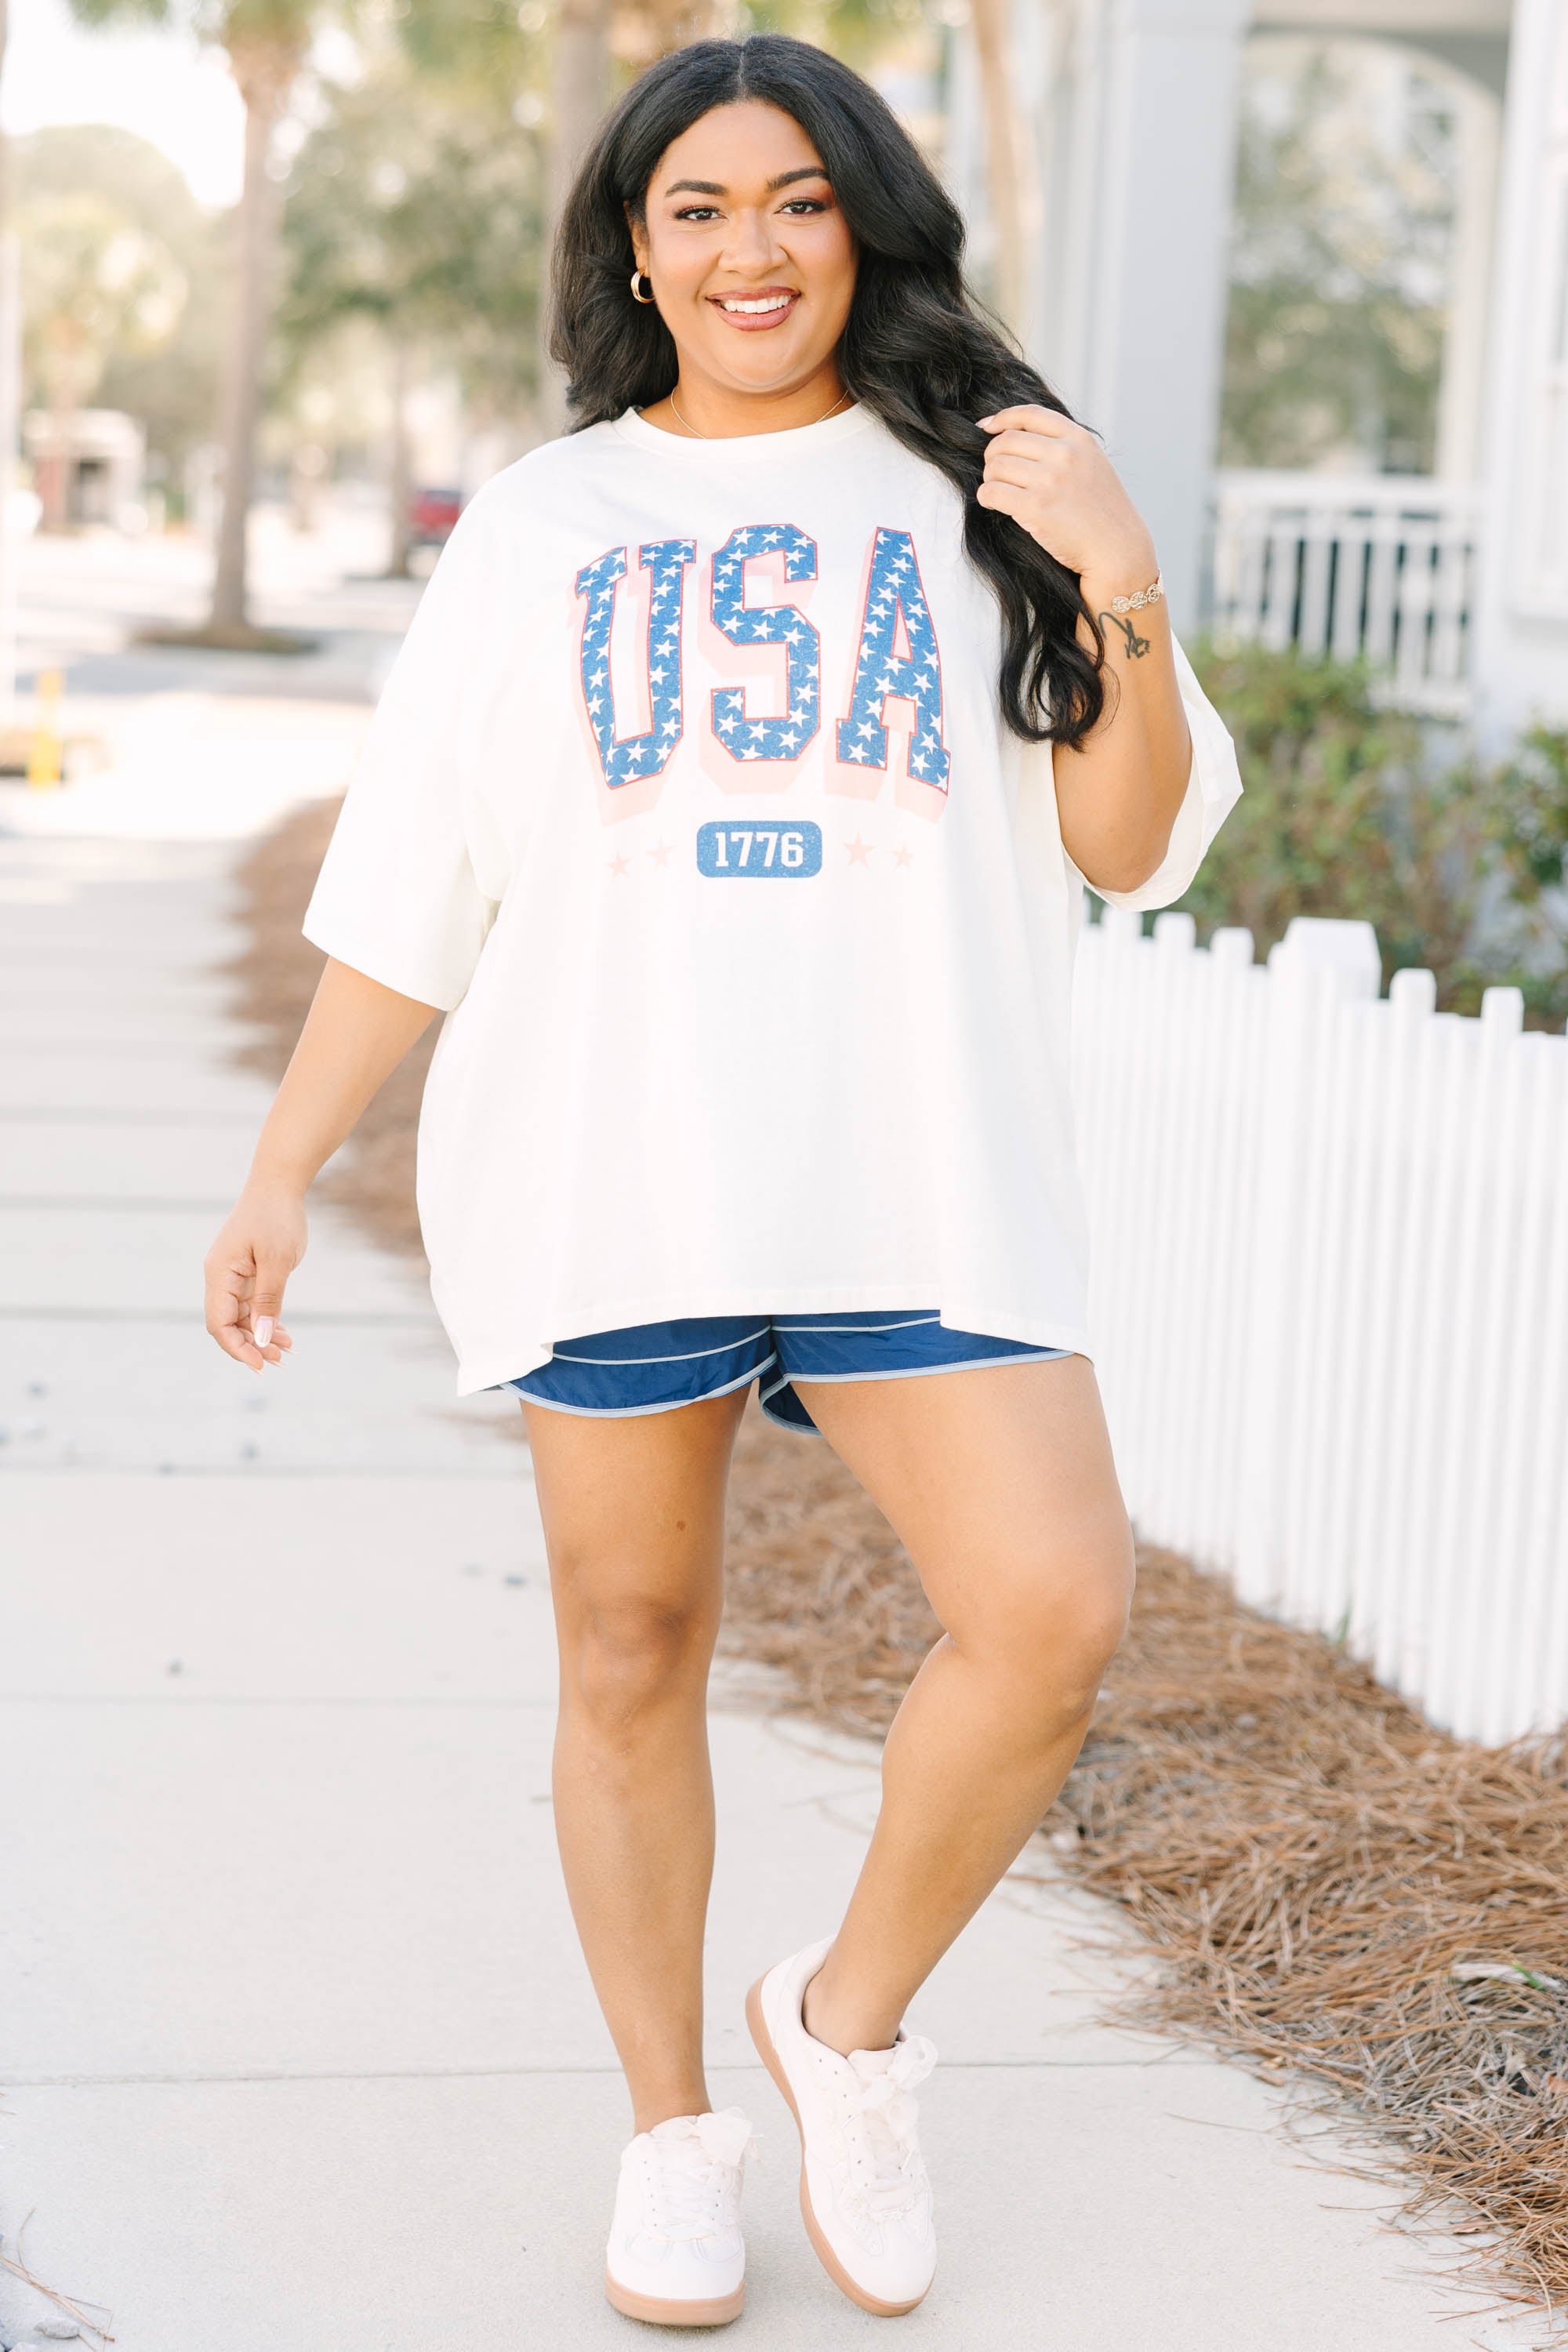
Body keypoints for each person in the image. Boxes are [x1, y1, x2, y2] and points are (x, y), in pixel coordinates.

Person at [203, 31, 1241, 2330]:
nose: (750, 249)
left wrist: (1122, 576)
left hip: (915, 1161)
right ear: (636, 250)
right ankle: (671, 2132)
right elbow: (420, 881)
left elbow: (1129, 838)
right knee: (628, 1648)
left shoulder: (986, 482)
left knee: (1051, 1607)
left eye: (795, 201)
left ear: (862, 224)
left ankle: (843, 2029)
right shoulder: (544, 525)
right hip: (613, 1162)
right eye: (698, 208)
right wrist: (284, 1164)